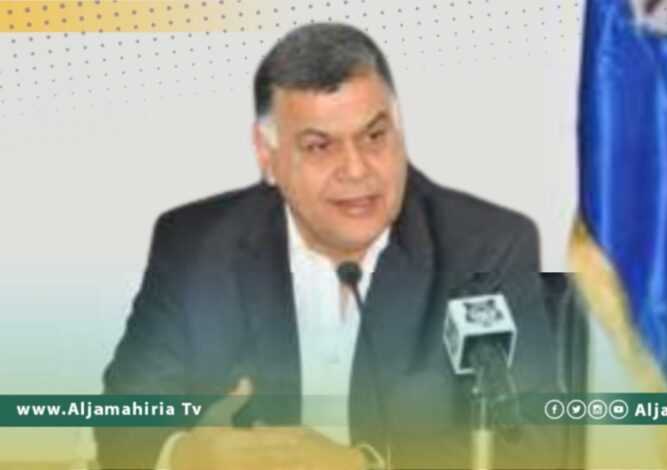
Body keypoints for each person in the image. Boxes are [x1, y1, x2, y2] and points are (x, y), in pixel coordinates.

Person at [95, 22, 566, 470]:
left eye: (374, 136)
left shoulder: (482, 249)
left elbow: (534, 446)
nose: (357, 169)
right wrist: (182, 456)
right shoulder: (195, 245)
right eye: (320, 146)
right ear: (267, 154)